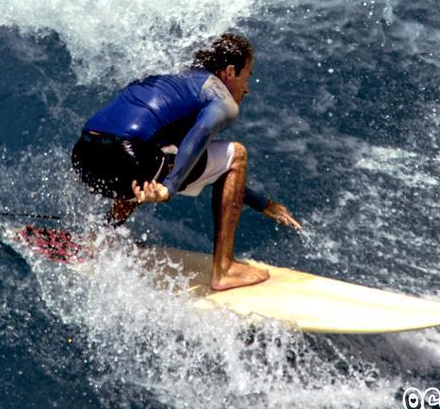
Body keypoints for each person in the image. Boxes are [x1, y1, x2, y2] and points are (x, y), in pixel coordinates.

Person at [70, 33, 301, 290]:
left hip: (84, 156)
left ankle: (103, 236)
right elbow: (201, 133)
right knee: (237, 154)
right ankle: (224, 269)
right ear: (229, 71)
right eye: (246, 76)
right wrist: (169, 187)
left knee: (154, 154)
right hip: (130, 160)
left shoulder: (172, 79)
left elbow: (198, 163)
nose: (246, 88)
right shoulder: (220, 97)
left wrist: (261, 203)